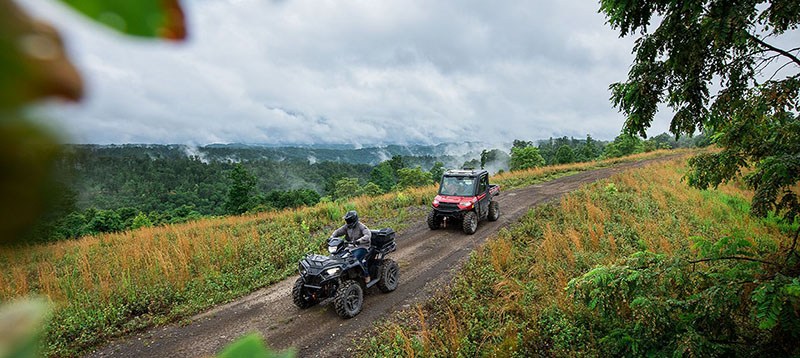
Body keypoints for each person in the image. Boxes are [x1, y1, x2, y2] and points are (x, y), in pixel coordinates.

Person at [330, 210, 372, 283]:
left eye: (349, 220)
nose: (348, 222)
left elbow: (368, 235)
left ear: (354, 219)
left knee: (356, 259)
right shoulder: (347, 227)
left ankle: (366, 275)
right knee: (338, 258)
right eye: (347, 220)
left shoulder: (361, 226)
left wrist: (359, 240)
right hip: (350, 247)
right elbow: (338, 231)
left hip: (362, 246)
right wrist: (332, 237)